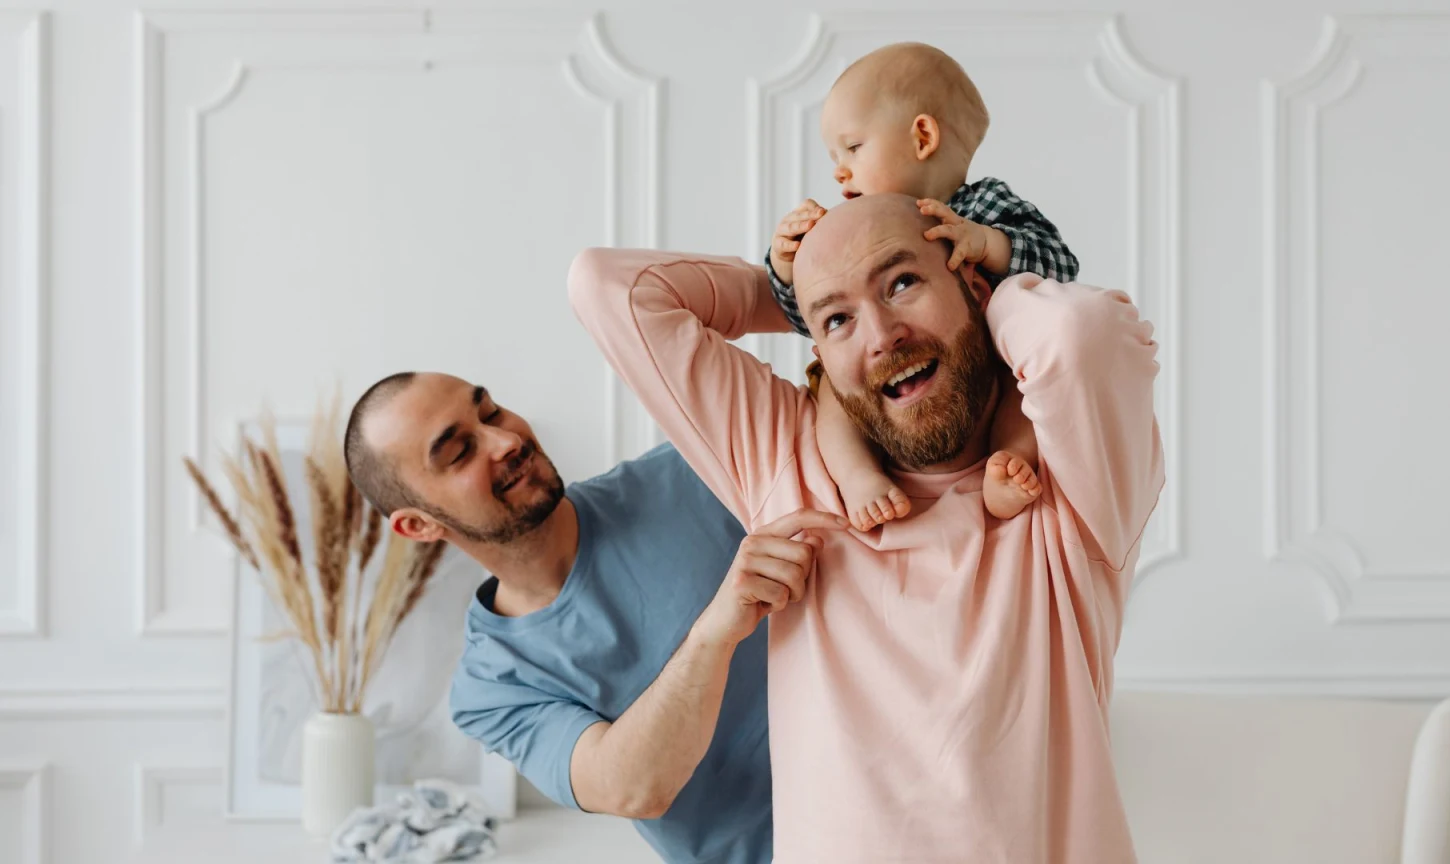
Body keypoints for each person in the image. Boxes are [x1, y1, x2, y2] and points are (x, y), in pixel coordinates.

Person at [569, 192, 1164, 862]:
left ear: (971, 281)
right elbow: (606, 286)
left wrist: (984, 279)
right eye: (840, 320)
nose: (882, 336)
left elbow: (1079, 334)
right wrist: (791, 291)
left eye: (903, 282)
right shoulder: (791, 467)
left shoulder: (1067, 491)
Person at [342, 373, 846, 863]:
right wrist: (714, 634)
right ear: (419, 525)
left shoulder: (697, 468)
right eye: (459, 452)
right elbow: (631, 789)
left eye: (490, 411)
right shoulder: (493, 687)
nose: (504, 440)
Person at [764, 42, 1079, 530]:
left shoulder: (983, 205)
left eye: (853, 147)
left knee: (1029, 387)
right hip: (903, 387)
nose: (838, 171)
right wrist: (786, 266)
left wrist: (987, 242)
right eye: (835, 157)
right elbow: (810, 317)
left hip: (985, 363)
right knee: (830, 386)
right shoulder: (855, 230)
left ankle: (1010, 463)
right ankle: (857, 477)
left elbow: (1061, 266)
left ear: (923, 136)